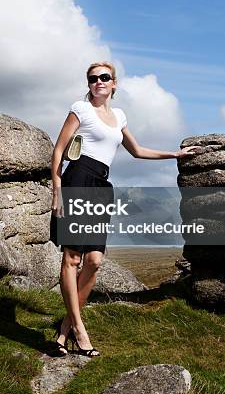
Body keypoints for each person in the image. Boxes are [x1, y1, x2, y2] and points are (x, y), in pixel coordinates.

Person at [50, 61, 199, 357]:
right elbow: (58, 150)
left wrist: (173, 154)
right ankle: (80, 331)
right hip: (77, 179)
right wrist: (58, 190)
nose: (98, 82)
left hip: (102, 185)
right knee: (73, 257)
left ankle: (65, 327)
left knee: (94, 260)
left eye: (104, 77)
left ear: (114, 83)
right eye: (93, 79)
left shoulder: (118, 116)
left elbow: (138, 150)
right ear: (89, 83)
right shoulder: (80, 109)